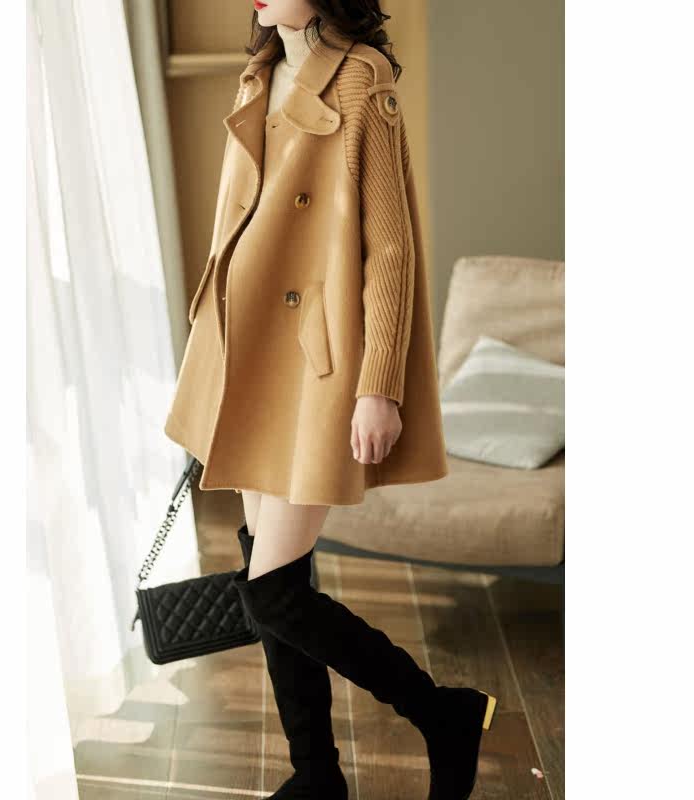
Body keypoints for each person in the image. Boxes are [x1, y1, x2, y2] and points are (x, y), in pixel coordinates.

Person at [164, 2, 497, 798]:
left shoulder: (360, 78)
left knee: (274, 593)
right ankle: (316, 776)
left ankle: (443, 713)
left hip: (317, 364)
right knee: (276, 573)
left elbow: (391, 249)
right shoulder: (262, 70)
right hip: (247, 354)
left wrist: (379, 384)